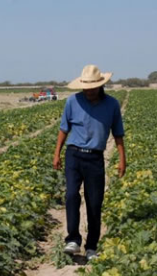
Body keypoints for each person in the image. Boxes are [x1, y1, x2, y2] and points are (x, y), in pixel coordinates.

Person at [53, 64, 126, 261]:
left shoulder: (112, 105)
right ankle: (73, 239)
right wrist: (57, 153)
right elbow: (63, 129)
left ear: (100, 86)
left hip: (95, 158)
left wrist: (122, 159)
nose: (89, 91)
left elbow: (118, 134)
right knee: (71, 196)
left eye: (92, 87)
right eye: (85, 87)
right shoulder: (72, 102)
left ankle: (91, 246)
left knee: (94, 202)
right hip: (74, 155)